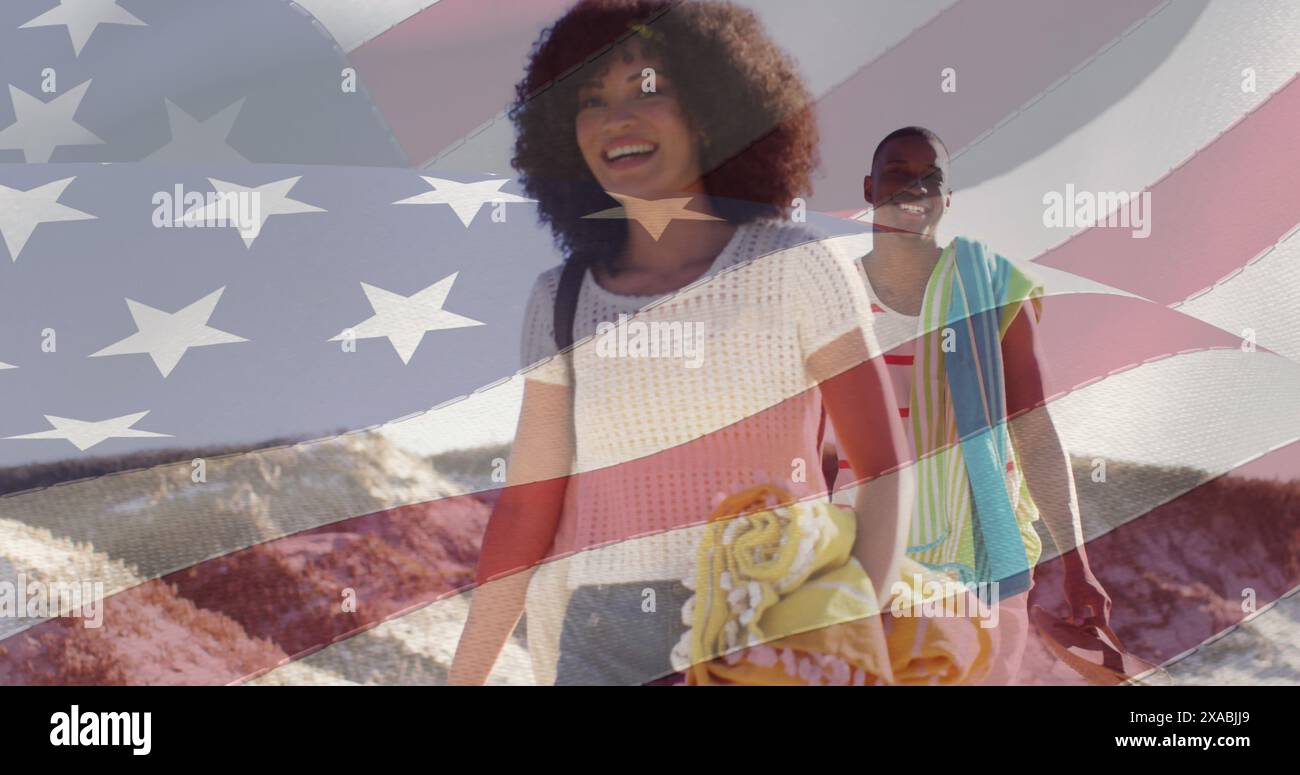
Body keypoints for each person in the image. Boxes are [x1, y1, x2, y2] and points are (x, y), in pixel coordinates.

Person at [449, 0, 912, 685]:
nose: (616, 119)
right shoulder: (560, 298)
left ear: (708, 111)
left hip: (769, 623)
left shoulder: (796, 266)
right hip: (601, 638)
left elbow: (882, 468)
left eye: (647, 90)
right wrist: (465, 678)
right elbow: (524, 510)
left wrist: (843, 628)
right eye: (589, 99)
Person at [826, 126, 1113, 683]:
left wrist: (1076, 563)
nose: (914, 189)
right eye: (897, 174)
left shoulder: (994, 291)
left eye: (929, 178)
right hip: (861, 561)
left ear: (947, 198)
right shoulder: (833, 301)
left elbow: (1033, 430)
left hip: (981, 562)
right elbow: (813, 449)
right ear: (868, 187)